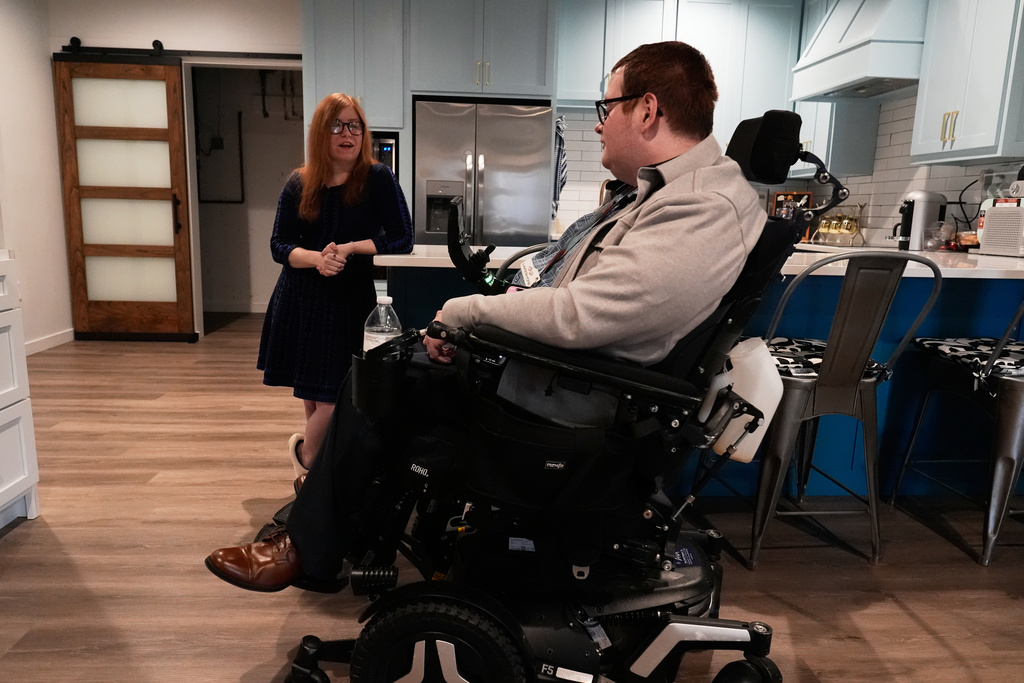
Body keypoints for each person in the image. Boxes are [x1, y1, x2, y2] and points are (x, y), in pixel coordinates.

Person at [206, 41, 767, 592]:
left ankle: (309, 545)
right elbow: (568, 282)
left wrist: (469, 313)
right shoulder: (657, 192)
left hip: (576, 397)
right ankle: (327, 538)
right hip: (566, 374)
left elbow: (588, 313)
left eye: (606, 108)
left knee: (384, 381)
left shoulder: (700, 205)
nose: (598, 125)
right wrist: (490, 317)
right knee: (389, 366)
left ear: (647, 110)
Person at [257, 93, 413, 476]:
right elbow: (279, 244)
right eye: (337, 125)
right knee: (313, 396)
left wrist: (349, 249)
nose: (347, 133)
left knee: (334, 396)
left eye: (355, 125)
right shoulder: (299, 182)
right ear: (320, 133)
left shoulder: (377, 177)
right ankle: (316, 482)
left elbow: (402, 237)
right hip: (300, 298)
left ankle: (307, 464)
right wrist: (316, 258)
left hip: (347, 301)